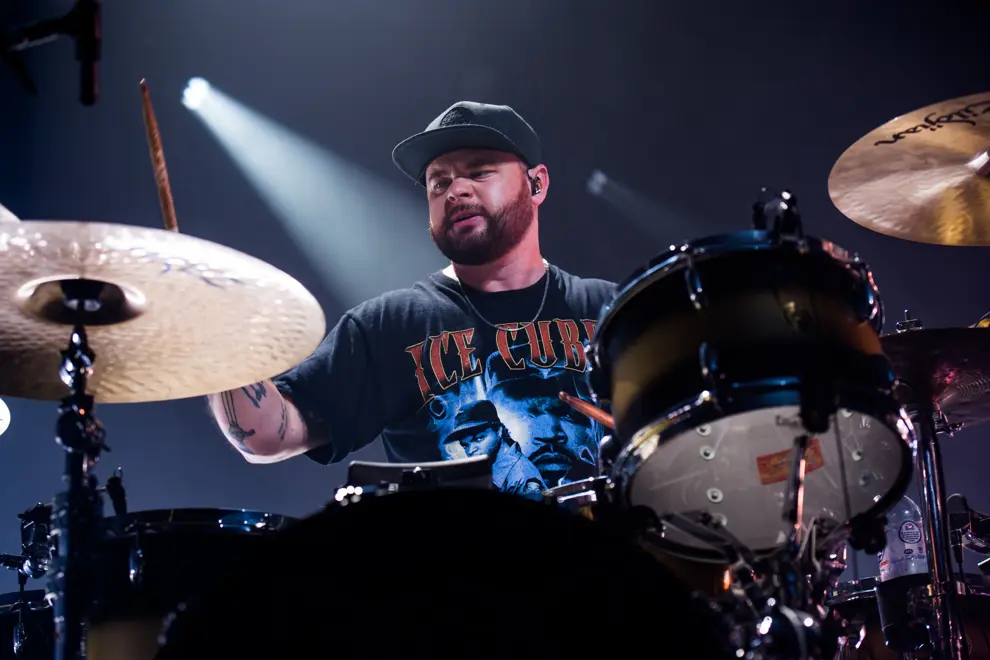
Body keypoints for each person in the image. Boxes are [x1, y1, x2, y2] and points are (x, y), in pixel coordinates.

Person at [206, 101, 617, 493]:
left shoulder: (607, 309)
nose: (455, 191)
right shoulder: (392, 325)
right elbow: (265, 436)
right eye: (439, 182)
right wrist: (212, 329)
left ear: (536, 183)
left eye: (479, 172)